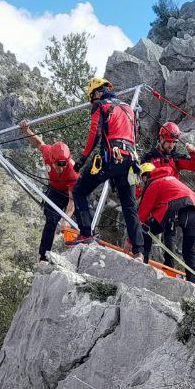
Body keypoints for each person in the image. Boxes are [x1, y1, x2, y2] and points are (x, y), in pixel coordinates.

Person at [72, 77, 143, 255]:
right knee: (129, 206)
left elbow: (94, 134)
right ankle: (139, 251)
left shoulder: (101, 106)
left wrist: (81, 160)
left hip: (111, 157)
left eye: (91, 98)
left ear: (97, 93)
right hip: (131, 160)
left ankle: (86, 233)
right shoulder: (128, 108)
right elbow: (136, 135)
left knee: (79, 190)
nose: (91, 103)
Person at [18, 120, 78, 262]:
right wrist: (27, 130)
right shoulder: (48, 153)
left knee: (77, 219)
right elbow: (39, 143)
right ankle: (43, 256)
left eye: (64, 165)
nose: (61, 168)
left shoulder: (73, 172)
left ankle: (79, 249)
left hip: (68, 193)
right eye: (58, 165)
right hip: (54, 190)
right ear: (52, 159)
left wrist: (66, 218)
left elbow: (72, 200)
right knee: (51, 220)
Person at [136, 162, 195, 276]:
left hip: (176, 209)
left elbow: (141, 216)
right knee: (190, 253)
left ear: (144, 177)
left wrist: (130, 241)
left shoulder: (153, 184)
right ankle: (193, 282)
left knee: (145, 230)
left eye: (139, 180)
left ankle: (140, 261)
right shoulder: (169, 179)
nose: (139, 185)